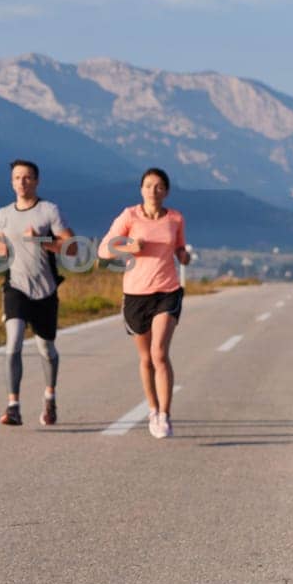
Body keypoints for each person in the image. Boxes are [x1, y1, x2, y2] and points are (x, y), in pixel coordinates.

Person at [99, 168, 190, 438]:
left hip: (167, 291)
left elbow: (180, 248)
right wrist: (129, 247)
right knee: (145, 358)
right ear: (141, 190)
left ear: (167, 191)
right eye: (149, 185)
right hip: (136, 294)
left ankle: (165, 415)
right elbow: (104, 249)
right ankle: (152, 409)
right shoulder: (129, 216)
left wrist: (184, 256)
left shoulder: (175, 218)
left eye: (160, 186)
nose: (154, 190)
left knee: (159, 353)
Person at [0, 159, 74, 426]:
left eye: (27, 178)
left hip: (45, 289)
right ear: (11, 181)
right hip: (15, 286)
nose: (21, 182)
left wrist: (41, 239)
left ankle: (50, 397)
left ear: (36, 181)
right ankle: (13, 406)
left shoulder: (49, 211)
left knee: (46, 347)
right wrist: (0, 247)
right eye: (17, 178)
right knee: (13, 342)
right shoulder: (3, 213)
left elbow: (71, 247)